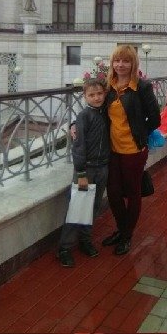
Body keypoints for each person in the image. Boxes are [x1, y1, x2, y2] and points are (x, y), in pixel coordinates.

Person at [101, 45, 161, 256]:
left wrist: (139, 135)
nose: (120, 65)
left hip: (133, 150)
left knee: (133, 193)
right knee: (114, 192)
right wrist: (75, 125)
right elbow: (95, 110)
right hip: (112, 149)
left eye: (126, 61)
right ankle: (121, 229)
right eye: (117, 60)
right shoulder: (108, 86)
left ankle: (126, 235)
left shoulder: (142, 87)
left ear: (133, 63)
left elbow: (155, 118)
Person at [57, 79, 110, 268]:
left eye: (99, 94)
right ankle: (64, 247)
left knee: (93, 207)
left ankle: (85, 240)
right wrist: (80, 172)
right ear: (85, 96)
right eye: (91, 95)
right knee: (78, 207)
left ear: (105, 94)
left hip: (103, 167)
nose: (96, 98)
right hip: (86, 169)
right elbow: (78, 146)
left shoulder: (107, 113)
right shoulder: (84, 116)